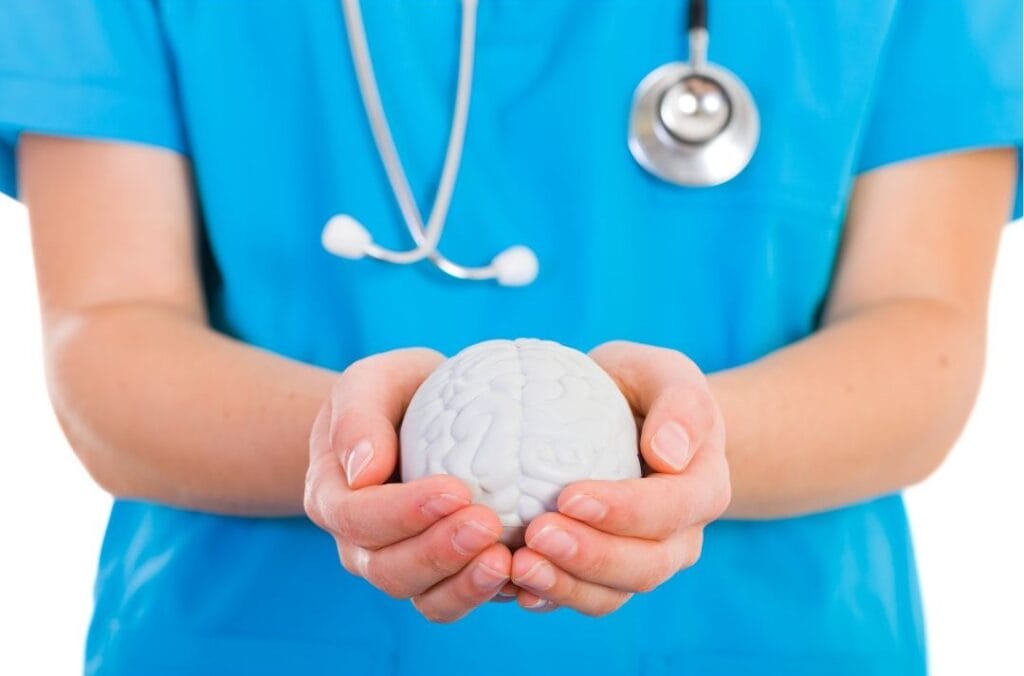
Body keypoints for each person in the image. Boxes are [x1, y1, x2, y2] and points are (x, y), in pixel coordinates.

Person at [1, 1, 1020, 674]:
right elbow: (108, 331)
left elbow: (921, 328)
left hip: (756, 640)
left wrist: (690, 447)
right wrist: (349, 445)